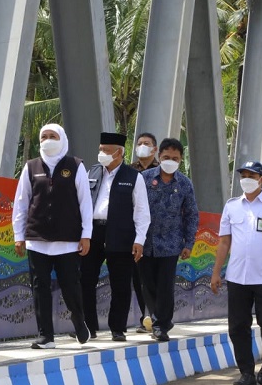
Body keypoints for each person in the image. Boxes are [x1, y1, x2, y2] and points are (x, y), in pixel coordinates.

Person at [210, 161, 262, 385]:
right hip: (238, 276)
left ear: (261, 178)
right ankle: (246, 371)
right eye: (243, 174)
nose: (246, 178)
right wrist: (216, 272)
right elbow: (224, 241)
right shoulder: (231, 206)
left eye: (252, 174)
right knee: (238, 326)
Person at [12, 124, 92, 349]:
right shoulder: (30, 167)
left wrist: (86, 235)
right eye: (44, 136)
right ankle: (45, 336)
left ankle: (78, 320)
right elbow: (21, 203)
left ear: (62, 139)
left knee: (70, 286)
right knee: (40, 287)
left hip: (68, 240)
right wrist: (19, 235)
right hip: (37, 239)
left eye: (53, 136)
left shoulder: (75, 166)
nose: (48, 140)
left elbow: (85, 203)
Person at [81, 132, 150, 341]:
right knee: (85, 280)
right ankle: (88, 327)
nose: (102, 154)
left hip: (121, 234)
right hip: (92, 233)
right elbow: (81, 203)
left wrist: (140, 239)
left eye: (106, 150)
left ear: (119, 153)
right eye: (100, 149)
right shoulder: (91, 172)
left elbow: (142, 211)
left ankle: (117, 329)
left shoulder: (133, 177)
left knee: (120, 284)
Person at [140, 138, 199, 342]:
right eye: (166, 157)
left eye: (175, 158)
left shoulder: (185, 183)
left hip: (171, 244)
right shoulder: (144, 179)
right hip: (144, 243)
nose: (170, 161)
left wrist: (188, 243)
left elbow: (191, 214)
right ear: (158, 156)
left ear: (181, 159)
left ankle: (161, 325)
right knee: (147, 285)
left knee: (165, 286)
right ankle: (160, 318)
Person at [130, 132, 159, 333]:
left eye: (146, 144)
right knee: (138, 278)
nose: (142, 146)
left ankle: (159, 317)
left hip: (158, 233)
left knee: (157, 278)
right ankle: (145, 318)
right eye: (139, 143)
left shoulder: (163, 169)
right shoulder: (129, 171)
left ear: (154, 149)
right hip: (135, 232)